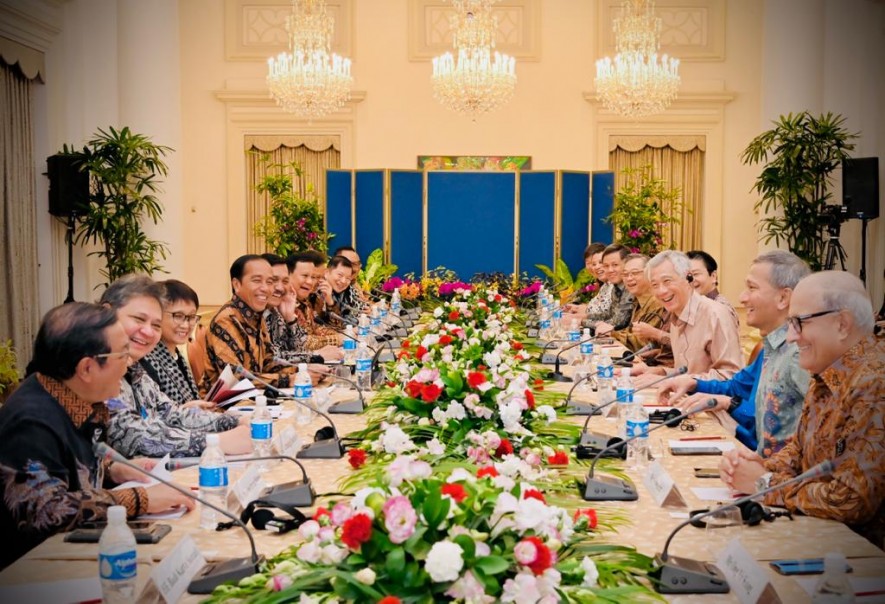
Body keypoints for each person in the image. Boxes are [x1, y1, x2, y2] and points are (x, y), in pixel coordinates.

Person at [0, 303, 194, 568]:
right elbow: (48, 511)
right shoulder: (31, 421)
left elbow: (63, 461)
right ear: (87, 369)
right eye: (122, 354)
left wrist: (113, 470)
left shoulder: (69, 396)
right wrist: (140, 499)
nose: (128, 365)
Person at [720, 271, 884, 547]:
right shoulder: (829, 370)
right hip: (817, 536)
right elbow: (799, 452)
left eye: (799, 323)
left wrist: (765, 484)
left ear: (842, 324)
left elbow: (851, 500)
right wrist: (754, 467)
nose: (792, 336)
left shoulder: (874, 384)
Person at [660, 251, 811, 455]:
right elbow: (738, 386)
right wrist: (694, 383)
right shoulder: (772, 345)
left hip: (778, 476)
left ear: (783, 297)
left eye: (752, 288)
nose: (742, 298)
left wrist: (728, 403)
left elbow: (806, 436)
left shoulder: (799, 355)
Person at [102, 275, 249, 458]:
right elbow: (130, 433)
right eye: (139, 319)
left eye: (156, 325)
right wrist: (215, 442)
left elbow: (172, 413)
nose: (148, 332)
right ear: (106, 313)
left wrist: (236, 420)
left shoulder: (134, 368)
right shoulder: (97, 365)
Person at [634, 250, 742, 381]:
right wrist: (659, 372)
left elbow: (730, 376)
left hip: (708, 400)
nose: (661, 291)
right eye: (654, 285)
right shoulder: (676, 315)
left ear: (688, 278)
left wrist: (671, 381)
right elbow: (688, 373)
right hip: (683, 398)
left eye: (667, 281)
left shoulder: (715, 314)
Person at [202, 255, 301, 393]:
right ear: (236, 284)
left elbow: (268, 363)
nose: (266, 288)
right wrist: (288, 380)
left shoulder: (256, 314)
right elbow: (235, 379)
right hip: (223, 408)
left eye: (269, 282)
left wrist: (303, 372)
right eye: (257, 281)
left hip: (255, 400)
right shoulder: (226, 321)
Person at [140, 279, 203, 405]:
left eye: (191, 317)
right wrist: (185, 410)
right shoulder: (146, 359)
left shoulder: (176, 354)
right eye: (178, 316)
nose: (186, 325)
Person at [609, 254, 667, 356]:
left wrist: (611, 333)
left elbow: (642, 342)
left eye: (634, 273)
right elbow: (631, 331)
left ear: (650, 274)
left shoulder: (657, 301)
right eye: (625, 274)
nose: (629, 278)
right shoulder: (637, 300)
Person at [260, 253, 312, 363]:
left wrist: (290, 319)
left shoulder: (275, 311)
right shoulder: (250, 314)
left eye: (285, 281)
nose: (280, 287)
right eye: (273, 280)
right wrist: (315, 356)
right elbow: (269, 359)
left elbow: (300, 348)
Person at [289, 251, 344, 351]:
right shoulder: (285, 304)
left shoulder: (306, 301)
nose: (311, 282)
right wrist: (337, 339)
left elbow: (316, 328)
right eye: (305, 276)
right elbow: (303, 342)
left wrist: (330, 301)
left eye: (315, 277)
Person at [585, 244, 635, 335]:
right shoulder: (616, 287)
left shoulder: (630, 287)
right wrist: (582, 318)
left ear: (627, 264)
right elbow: (609, 314)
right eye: (606, 266)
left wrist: (583, 322)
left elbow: (618, 322)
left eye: (615, 265)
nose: (610, 270)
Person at [687, 250, 739, 328]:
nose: (690, 280)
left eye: (695, 274)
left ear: (713, 276)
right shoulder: (694, 304)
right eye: (687, 276)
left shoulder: (721, 309)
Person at [326, 255, 358, 323]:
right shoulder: (317, 291)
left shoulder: (345, 291)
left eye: (348, 278)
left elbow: (348, 317)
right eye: (340, 275)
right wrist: (330, 302)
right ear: (326, 272)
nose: (343, 281)